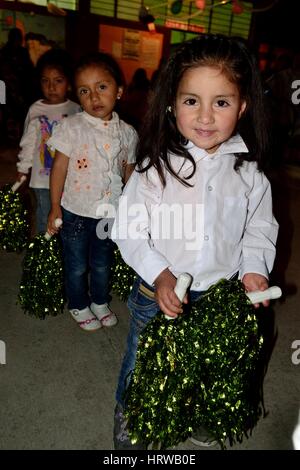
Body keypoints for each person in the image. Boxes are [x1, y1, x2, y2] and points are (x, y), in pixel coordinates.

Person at [111, 34, 279, 449]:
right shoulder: (154, 169)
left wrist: (255, 268)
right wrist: (161, 274)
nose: (205, 116)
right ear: (171, 103)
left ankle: (202, 412)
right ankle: (130, 413)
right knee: (144, 360)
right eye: (192, 101)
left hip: (220, 292)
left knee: (208, 362)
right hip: (158, 291)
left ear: (241, 107)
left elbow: (259, 226)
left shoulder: (250, 174)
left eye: (221, 102)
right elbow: (128, 229)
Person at [46, 52, 138, 332]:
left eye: (102, 87)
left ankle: (99, 300)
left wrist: (132, 208)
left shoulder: (128, 133)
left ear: (119, 91)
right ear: (78, 95)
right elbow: (59, 169)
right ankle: (78, 302)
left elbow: (129, 172)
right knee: (76, 264)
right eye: (85, 91)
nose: (94, 97)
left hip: (109, 211)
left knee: (102, 262)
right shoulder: (71, 127)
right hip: (75, 210)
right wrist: (54, 206)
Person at [16, 48, 80, 233]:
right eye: (46, 81)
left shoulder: (76, 109)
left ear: (68, 83)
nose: (51, 87)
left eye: (58, 81)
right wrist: (22, 169)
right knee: (45, 214)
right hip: (42, 178)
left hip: (69, 179)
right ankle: (42, 255)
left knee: (66, 217)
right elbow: (28, 143)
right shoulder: (35, 109)